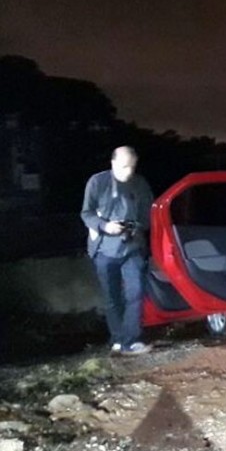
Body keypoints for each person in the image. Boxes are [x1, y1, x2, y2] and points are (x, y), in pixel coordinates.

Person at [81, 146, 154, 355]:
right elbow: (86, 213)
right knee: (112, 297)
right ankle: (118, 339)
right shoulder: (97, 182)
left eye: (132, 167)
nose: (128, 172)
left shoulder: (140, 184)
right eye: (123, 167)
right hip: (104, 249)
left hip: (132, 247)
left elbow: (147, 217)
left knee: (136, 292)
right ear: (112, 163)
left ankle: (131, 340)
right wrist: (105, 226)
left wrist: (134, 227)